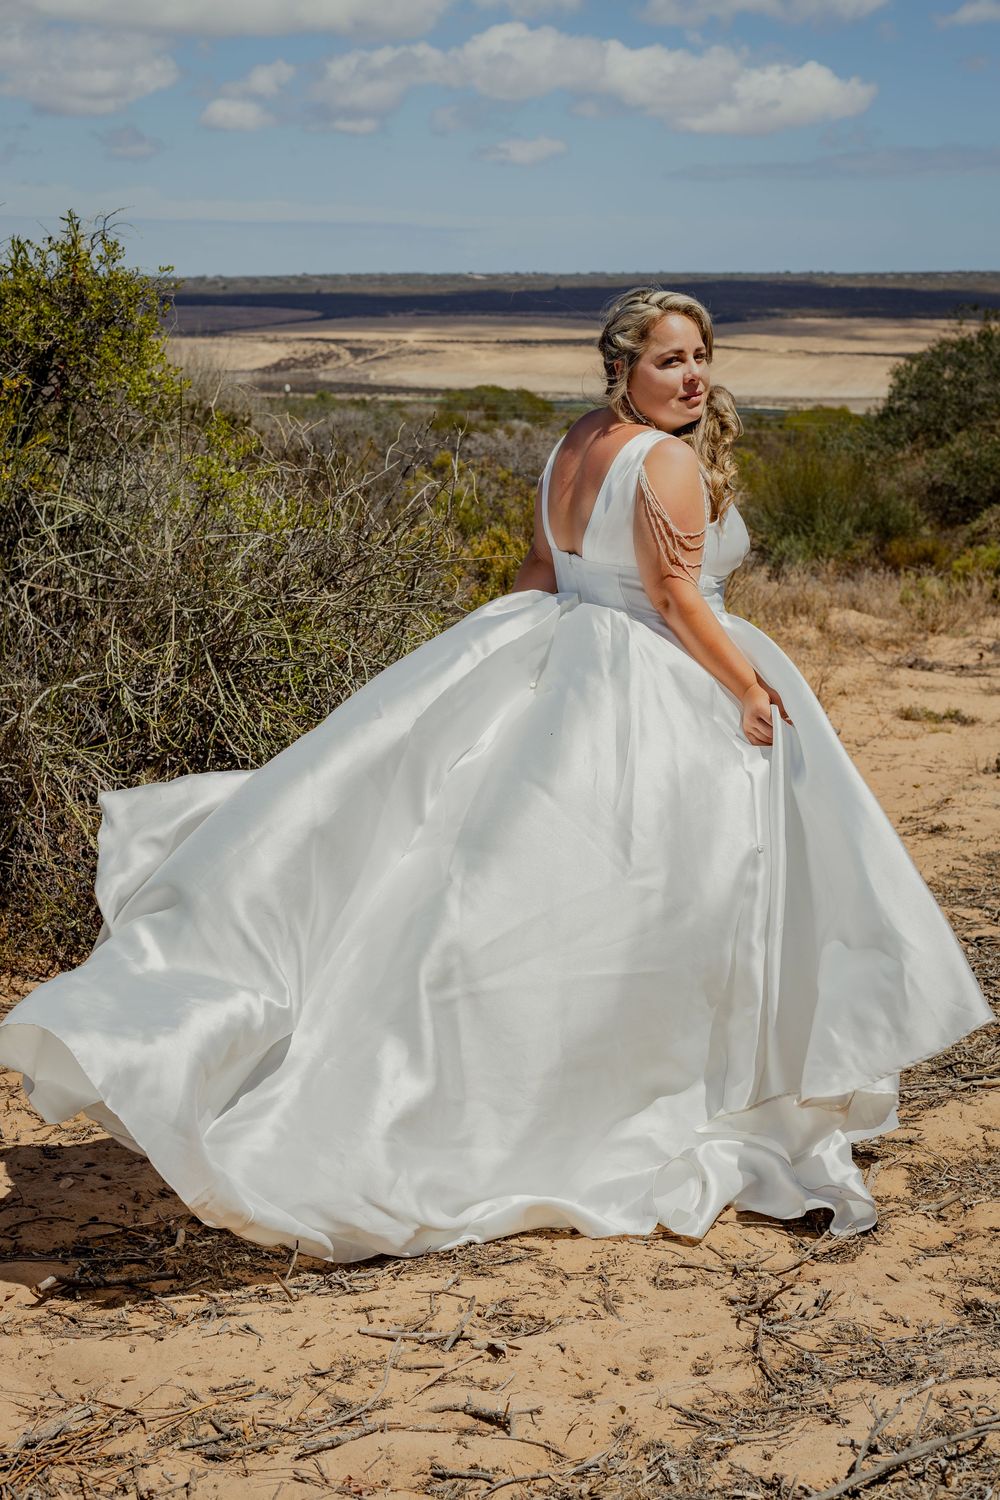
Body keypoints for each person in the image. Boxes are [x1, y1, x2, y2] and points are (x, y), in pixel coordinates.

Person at [0, 287, 992, 1265]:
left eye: (699, 358)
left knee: (504, 878)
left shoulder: (570, 443)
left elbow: (536, 572)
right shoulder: (664, 463)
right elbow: (677, 599)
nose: (691, 378)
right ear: (622, 368)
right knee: (685, 891)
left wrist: (473, 661)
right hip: (656, 678)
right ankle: (676, 1093)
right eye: (668, 360)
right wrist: (747, 689)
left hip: (562, 649)